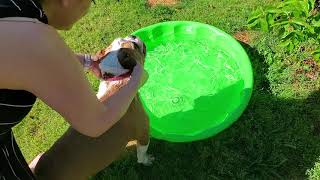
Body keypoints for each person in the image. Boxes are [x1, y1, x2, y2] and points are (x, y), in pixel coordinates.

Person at [0, 0, 148, 179]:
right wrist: (136, 79)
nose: (90, 8)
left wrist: (87, 60)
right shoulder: (33, 38)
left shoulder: (17, 9)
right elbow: (96, 123)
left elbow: (27, 56)